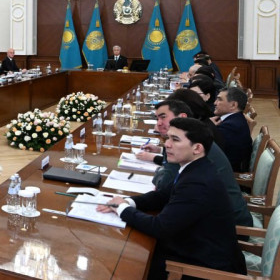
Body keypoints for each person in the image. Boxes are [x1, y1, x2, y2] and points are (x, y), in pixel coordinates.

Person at [99, 118, 246, 279]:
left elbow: (160, 227)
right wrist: (128, 202)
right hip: (193, 247)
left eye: (175, 139)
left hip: (205, 268)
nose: (167, 144)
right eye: (168, 138)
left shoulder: (198, 182)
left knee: (124, 265)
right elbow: (162, 195)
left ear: (197, 148)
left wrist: (122, 209)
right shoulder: (196, 167)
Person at [137, 100, 251, 229]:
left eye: (163, 117)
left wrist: (159, 171)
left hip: (230, 226)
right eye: (157, 118)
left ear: (182, 117)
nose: (158, 123)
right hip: (216, 216)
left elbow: (163, 186)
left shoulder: (191, 153)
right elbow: (166, 191)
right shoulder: (194, 139)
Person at [213, 87, 252, 172]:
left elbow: (210, 150)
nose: (215, 103)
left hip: (226, 174)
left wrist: (209, 126)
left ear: (233, 105)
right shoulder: (235, 119)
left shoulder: (230, 127)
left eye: (219, 99)